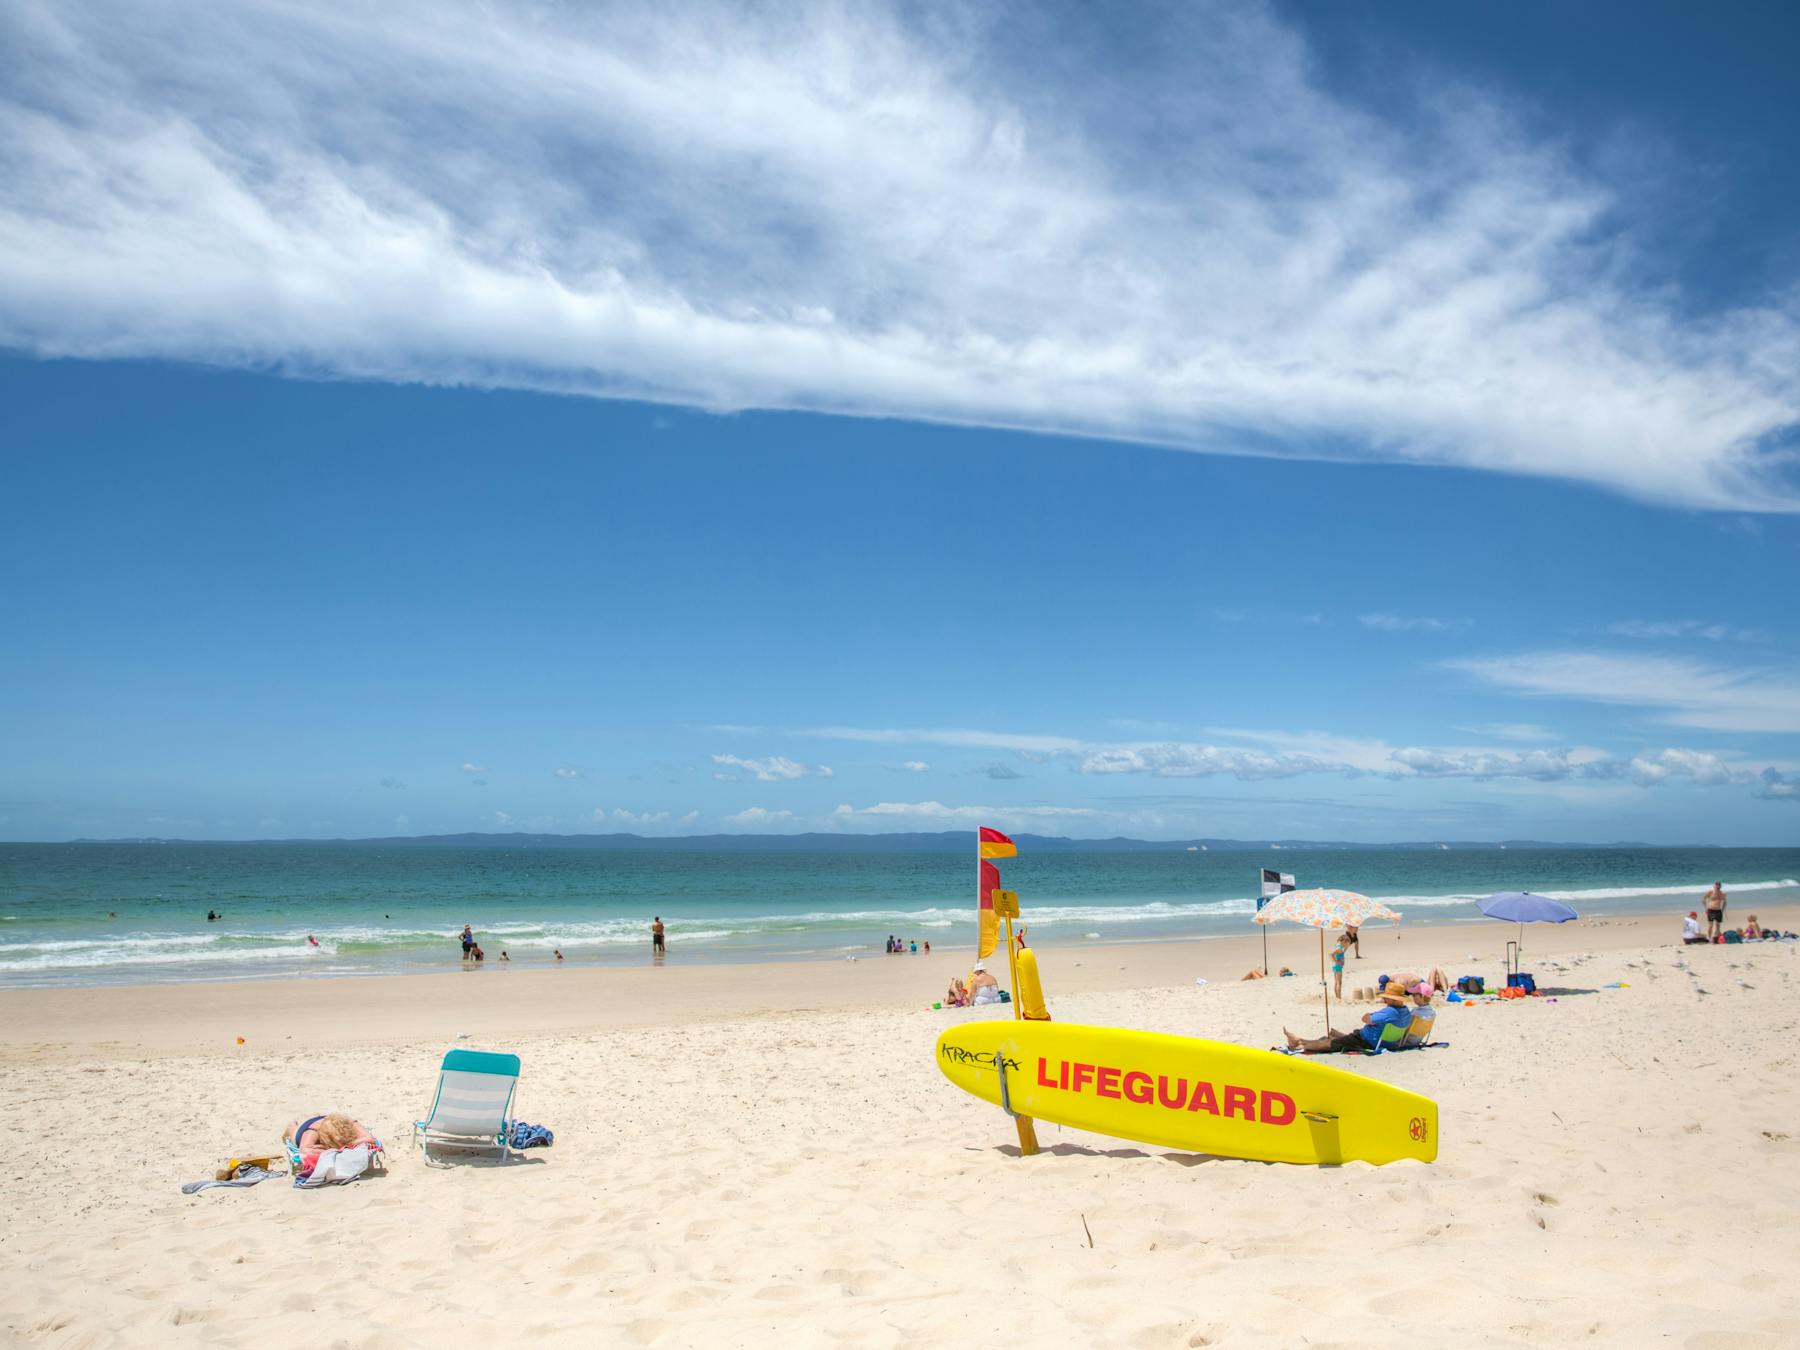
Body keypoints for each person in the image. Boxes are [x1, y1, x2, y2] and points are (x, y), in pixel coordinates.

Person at [1282, 985, 1411, 1054]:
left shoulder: (1390, 1011)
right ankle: (1300, 1040)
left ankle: (1298, 1045)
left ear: (1393, 999)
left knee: (1330, 1043)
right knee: (1335, 1038)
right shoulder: (1405, 1012)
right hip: (1380, 1041)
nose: (1385, 1000)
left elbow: (1365, 1019)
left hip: (1366, 1041)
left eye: (1387, 998)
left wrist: (1370, 1014)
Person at [283, 1113, 378, 1154]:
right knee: (292, 1132)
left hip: (331, 1120)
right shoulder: (313, 1131)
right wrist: (330, 1150)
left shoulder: (349, 1122)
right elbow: (304, 1150)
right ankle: (291, 1125)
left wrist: (344, 1145)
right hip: (307, 1127)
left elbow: (370, 1139)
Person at [1330, 933, 1349, 999]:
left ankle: (1337, 997)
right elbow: (1331, 954)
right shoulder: (1339, 948)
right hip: (1338, 966)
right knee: (1339, 983)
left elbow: (1343, 951)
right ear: (1344, 941)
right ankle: (1339, 997)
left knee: (1336, 982)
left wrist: (1346, 946)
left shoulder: (1338, 946)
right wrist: (1336, 961)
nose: (1347, 945)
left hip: (1336, 966)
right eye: (1347, 943)